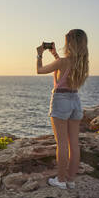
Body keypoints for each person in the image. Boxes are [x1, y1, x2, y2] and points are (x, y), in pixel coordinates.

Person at [36, 29, 89, 189]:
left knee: (62, 144)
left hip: (61, 100)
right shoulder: (83, 63)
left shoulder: (63, 62)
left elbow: (40, 70)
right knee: (74, 144)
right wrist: (55, 55)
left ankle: (60, 180)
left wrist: (39, 54)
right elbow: (64, 70)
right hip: (75, 100)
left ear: (70, 43)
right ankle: (70, 180)